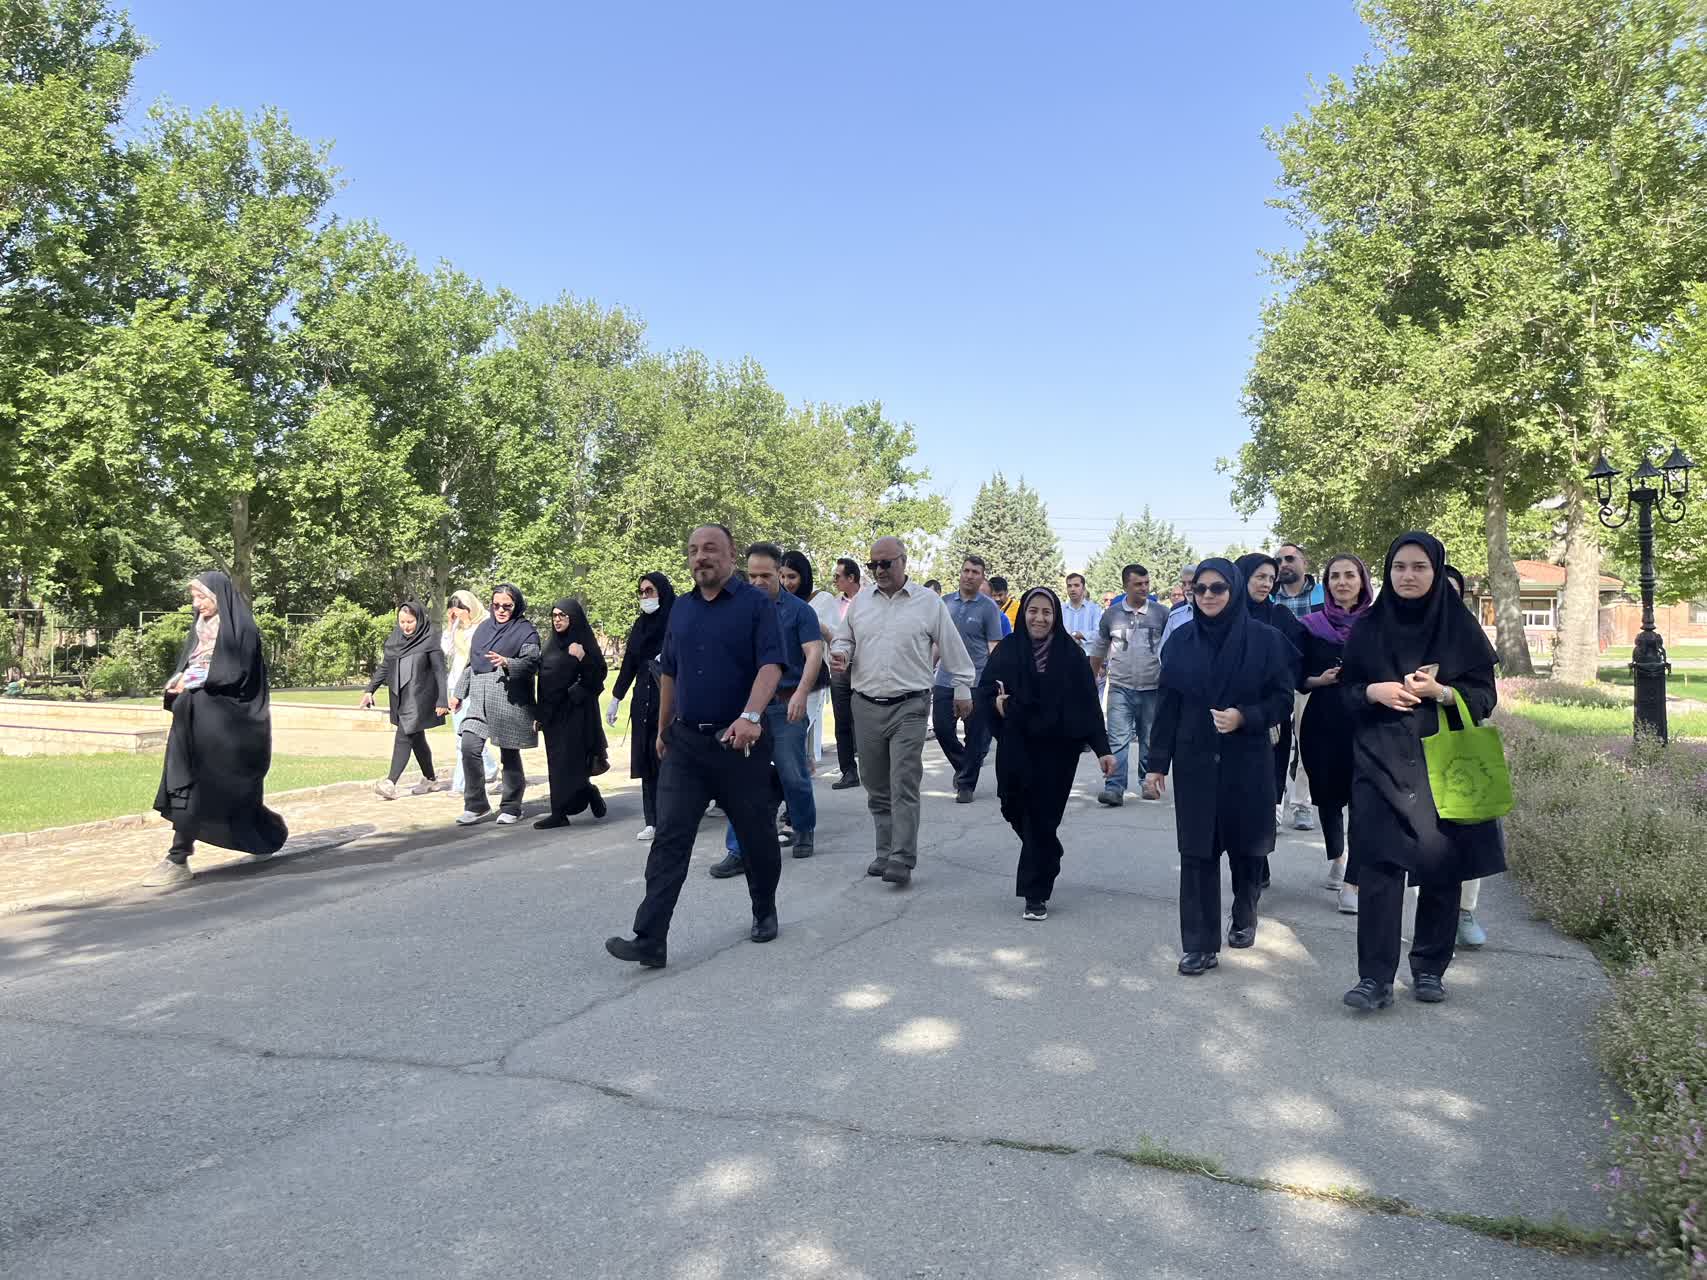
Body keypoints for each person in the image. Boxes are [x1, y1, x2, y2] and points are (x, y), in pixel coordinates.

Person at [605, 525, 787, 968]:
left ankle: (764, 908)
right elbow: (669, 671)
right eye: (692, 551)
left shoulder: (756, 605)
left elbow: (771, 665)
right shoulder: (681, 610)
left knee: (756, 836)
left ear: (731, 555)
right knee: (669, 838)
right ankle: (650, 938)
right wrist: (663, 729)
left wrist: (751, 717)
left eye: (709, 549)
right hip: (686, 743)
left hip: (739, 745)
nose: (700, 557)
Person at [1340, 533, 1506, 1011]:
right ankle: (1374, 979)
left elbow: (1484, 697)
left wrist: (1442, 693)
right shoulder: (1368, 627)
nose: (1408, 576)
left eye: (1419, 567)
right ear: (1386, 572)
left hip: (1444, 766)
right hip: (1378, 763)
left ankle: (1430, 968)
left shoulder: (1459, 628)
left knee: (1442, 866)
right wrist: (1373, 692)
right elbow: (1344, 694)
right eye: (1399, 567)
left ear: (1436, 572)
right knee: (1378, 869)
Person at [1142, 559, 1296, 976]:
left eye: (1218, 588)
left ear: (1235, 590)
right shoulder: (1180, 642)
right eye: (1201, 589)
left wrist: (1245, 716)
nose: (1208, 596)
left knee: (1247, 848)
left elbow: (1283, 700)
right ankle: (1199, 944)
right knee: (1197, 853)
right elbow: (1168, 706)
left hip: (1247, 760)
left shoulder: (1265, 641)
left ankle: (1245, 912)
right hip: (1195, 762)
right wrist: (1157, 765)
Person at [831, 536, 974, 888]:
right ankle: (884, 852)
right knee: (876, 784)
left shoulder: (928, 603)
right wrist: (841, 653)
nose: (879, 570)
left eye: (886, 563)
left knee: (904, 781)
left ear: (904, 562)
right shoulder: (861, 602)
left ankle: (901, 857)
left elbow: (951, 645)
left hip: (910, 705)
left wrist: (962, 687)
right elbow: (844, 638)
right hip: (865, 704)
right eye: (873, 565)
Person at [142, 572, 289, 889]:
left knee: (226, 787)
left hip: (230, 724)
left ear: (219, 596)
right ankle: (182, 856)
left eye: (202, 597)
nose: (197, 604)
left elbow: (235, 673)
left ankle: (253, 838)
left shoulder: (242, 629)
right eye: (194, 598)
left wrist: (192, 680)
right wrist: (177, 682)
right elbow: (189, 664)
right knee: (189, 782)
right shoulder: (198, 628)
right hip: (193, 718)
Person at [978, 586, 1115, 920]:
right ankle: (1049, 850)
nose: (1039, 618)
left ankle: (1035, 894)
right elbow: (985, 691)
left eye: (1047, 612)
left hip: (1058, 751)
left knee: (1042, 818)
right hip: (1016, 745)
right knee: (1011, 806)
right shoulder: (1008, 650)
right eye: (1033, 611)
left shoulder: (1071, 656)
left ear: (1056, 617)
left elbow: (1088, 706)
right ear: (1023, 614)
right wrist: (996, 705)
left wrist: (1103, 750)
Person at [707, 542, 824, 874]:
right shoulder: (736, 609)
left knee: (792, 774)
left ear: (780, 574)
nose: (758, 582)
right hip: (748, 709)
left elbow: (814, 653)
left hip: (786, 707)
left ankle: (803, 827)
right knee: (741, 779)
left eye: (766, 576)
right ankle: (738, 849)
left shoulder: (799, 611)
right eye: (752, 575)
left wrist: (801, 693)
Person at [1296, 554, 1374, 914]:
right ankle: (1338, 858)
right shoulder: (1311, 625)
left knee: (1363, 800)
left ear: (1362, 581)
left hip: (1367, 720)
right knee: (1328, 797)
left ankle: (1353, 881)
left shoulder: (1377, 623)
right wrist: (1320, 679)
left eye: (1350, 575)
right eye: (1335, 576)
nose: (1342, 582)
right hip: (1323, 721)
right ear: (1326, 583)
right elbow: (1298, 676)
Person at [449, 583, 539, 826]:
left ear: (516, 606)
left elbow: (532, 663)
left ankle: (511, 806)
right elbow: (471, 664)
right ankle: (476, 805)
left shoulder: (525, 631)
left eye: (507, 606)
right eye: (496, 605)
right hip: (479, 701)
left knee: (509, 754)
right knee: (469, 746)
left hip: (508, 701)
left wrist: (508, 662)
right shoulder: (483, 629)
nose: (500, 610)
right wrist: (458, 693)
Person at [1235, 553, 1308, 836]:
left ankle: (1269, 822)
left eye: (1270, 578)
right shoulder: (1226, 616)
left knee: (1269, 777)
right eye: (1259, 577)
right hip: (1230, 714)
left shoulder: (1280, 616)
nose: (1266, 584)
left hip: (1271, 713)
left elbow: (1297, 658)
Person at [1091, 564, 1170, 806]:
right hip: (1120, 687)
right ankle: (1114, 787)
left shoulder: (1162, 614)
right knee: (1117, 739)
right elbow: (1099, 649)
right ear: (1125, 585)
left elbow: (1172, 648)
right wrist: (1090, 680)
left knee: (1149, 739)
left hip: (1153, 687)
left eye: (1147, 583)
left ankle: (1147, 782)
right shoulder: (1111, 615)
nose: (1144, 588)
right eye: (1138, 584)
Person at [1442, 563, 1491, 949]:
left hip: (1459, 748)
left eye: (1450, 591)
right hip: (1403, 749)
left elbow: (1486, 697)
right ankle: (1430, 916)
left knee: (1467, 830)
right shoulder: (1394, 631)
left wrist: (1445, 694)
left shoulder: (1469, 635)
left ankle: (1464, 910)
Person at [608, 573, 676, 841]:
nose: (645, 596)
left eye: (650, 591)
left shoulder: (675, 619)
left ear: (662, 592)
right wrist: (616, 698)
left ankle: (673, 816)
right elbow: (629, 663)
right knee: (647, 758)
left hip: (669, 698)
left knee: (669, 758)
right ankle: (652, 820)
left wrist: (668, 656)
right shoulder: (640, 625)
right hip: (643, 698)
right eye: (642, 592)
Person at [934, 555, 1006, 804]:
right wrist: (927, 668)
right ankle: (965, 764)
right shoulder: (945, 603)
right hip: (945, 678)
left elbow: (994, 646)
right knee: (942, 729)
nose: (969, 575)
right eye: (966, 570)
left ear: (982, 577)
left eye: (975, 572)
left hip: (977, 680)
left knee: (975, 736)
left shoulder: (989, 607)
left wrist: (996, 681)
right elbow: (938, 642)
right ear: (960, 572)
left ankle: (966, 784)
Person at [361, 602, 449, 799]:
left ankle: (390, 783)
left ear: (419, 620)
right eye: (402, 622)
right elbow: (385, 666)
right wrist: (370, 690)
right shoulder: (395, 640)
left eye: (410, 622)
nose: (406, 626)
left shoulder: (430, 639)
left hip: (421, 696)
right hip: (399, 695)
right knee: (416, 738)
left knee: (405, 733)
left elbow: (439, 671)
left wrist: (442, 699)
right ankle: (431, 779)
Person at [534, 598, 609, 829]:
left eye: (562, 615)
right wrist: (539, 714)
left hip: (576, 712)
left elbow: (598, 676)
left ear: (573, 618)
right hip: (552, 713)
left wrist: (583, 658)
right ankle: (560, 812)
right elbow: (543, 682)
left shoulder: (583, 643)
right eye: (554, 615)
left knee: (572, 762)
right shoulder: (550, 646)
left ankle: (585, 794)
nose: (557, 620)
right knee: (556, 763)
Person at [781, 549, 839, 764]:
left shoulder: (822, 599)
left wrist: (813, 622)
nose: (786, 582)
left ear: (804, 576)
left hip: (812, 675)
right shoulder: (777, 600)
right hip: (782, 674)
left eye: (792, 577)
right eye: (782, 576)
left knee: (798, 729)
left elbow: (836, 639)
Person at [442, 591, 498, 792]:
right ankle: (489, 768)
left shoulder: (485, 624)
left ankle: (461, 784)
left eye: (461, 610)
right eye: (454, 611)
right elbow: (447, 650)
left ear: (470, 607)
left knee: (468, 734)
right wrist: (450, 626)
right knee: (462, 734)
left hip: (476, 683)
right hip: (455, 683)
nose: (458, 615)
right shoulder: (457, 625)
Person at [828, 557, 863, 790]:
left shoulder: (870, 600)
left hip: (865, 668)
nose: (835, 581)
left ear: (851, 578)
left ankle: (873, 769)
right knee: (841, 721)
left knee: (865, 720)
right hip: (840, 670)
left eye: (838, 576)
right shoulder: (833, 604)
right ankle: (848, 772)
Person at [1061, 572, 1103, 657]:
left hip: (1087, 657)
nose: (1072, 589)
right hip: (1064, 656)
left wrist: (1081, 635)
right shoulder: (1061, 609)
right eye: (1069, 586)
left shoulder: (1094, 609)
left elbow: (1100, 634)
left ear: (1083, 588)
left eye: (1076, 585)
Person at [1159, 563, 1198, 652]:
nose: (1187, 588)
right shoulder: (1175, 616)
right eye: (1184, 584)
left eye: (1191, 583)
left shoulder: (1214, 612)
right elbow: (1163, 650)